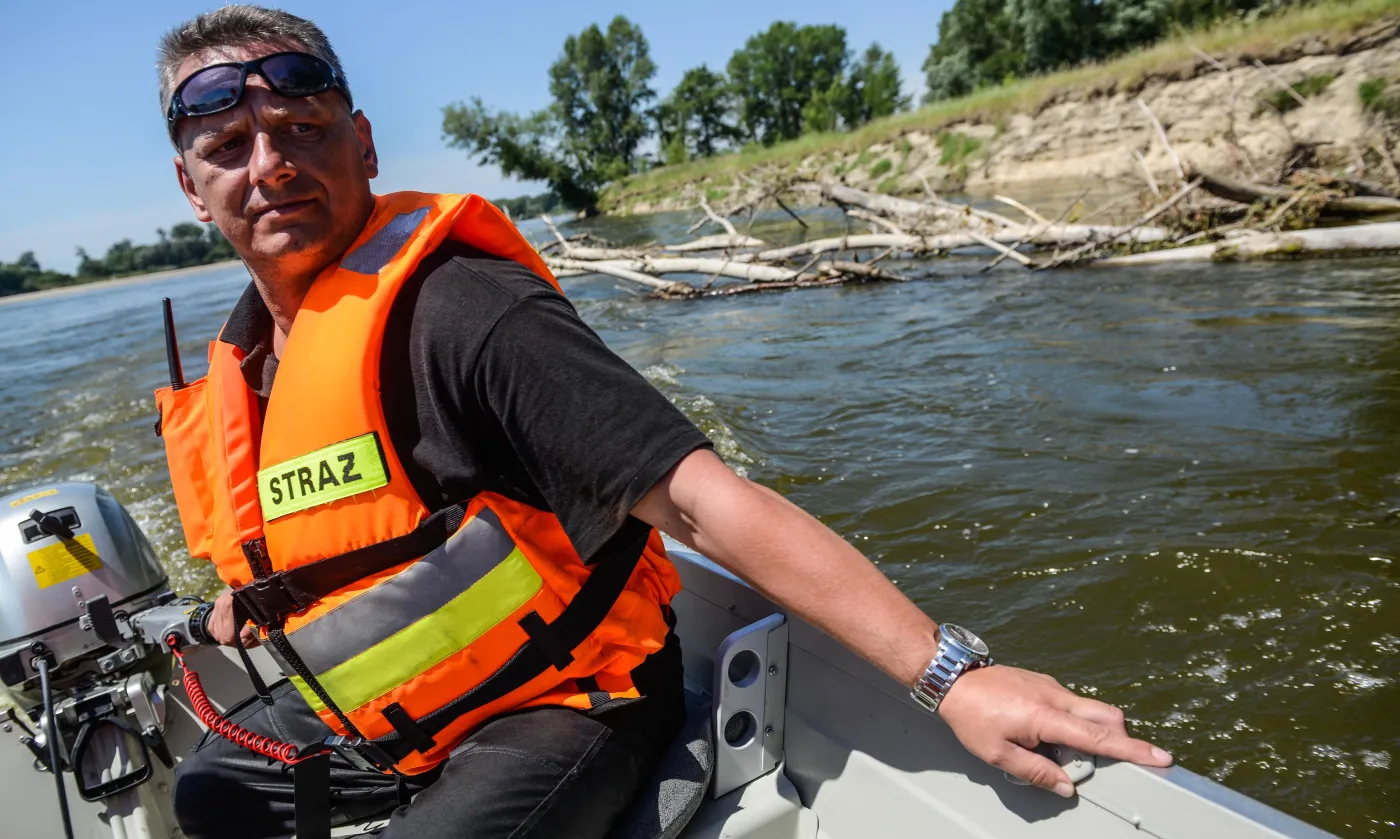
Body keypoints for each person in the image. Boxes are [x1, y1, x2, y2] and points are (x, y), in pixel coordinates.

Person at [156, 6, 1172, 839]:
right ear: (192, 188)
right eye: (229, 146)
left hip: (559, 705)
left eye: (302, 130)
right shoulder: (253, 364)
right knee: (207, 791)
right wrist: (243, 604)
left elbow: (700, 502)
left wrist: (951, 674)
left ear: (362, 142)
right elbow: (349, 546)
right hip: (393, 719)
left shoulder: (465, 311)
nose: (271, 164)